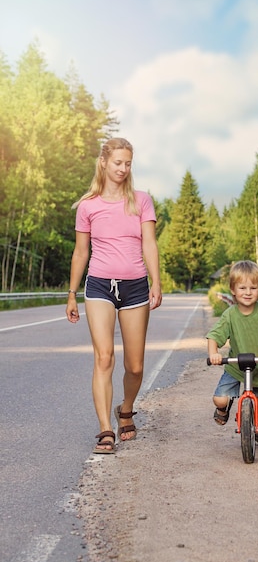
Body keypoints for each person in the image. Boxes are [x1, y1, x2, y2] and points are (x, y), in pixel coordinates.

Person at [66, 137, 162, 455]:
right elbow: (81, 253)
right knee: (104, 357)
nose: (123, 168)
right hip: (98, 286)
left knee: (134, 366)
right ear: (104, 162)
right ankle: (105, 429)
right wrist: (71, 294)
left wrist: (156, 282)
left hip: (135, 287)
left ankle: (126, 410)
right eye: (118, 162)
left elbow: (149, 243)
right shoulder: (88, 206)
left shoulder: (141, 200)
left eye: (128, 163)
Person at [207, 260, 258, 443]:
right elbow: (214, 335)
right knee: (219, 399)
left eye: (253, 288)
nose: (247, 292)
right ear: (233, 290)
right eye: (242, 287)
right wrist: (214, 353)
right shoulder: (230, 314)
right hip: (236, 368)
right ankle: (224, 408)